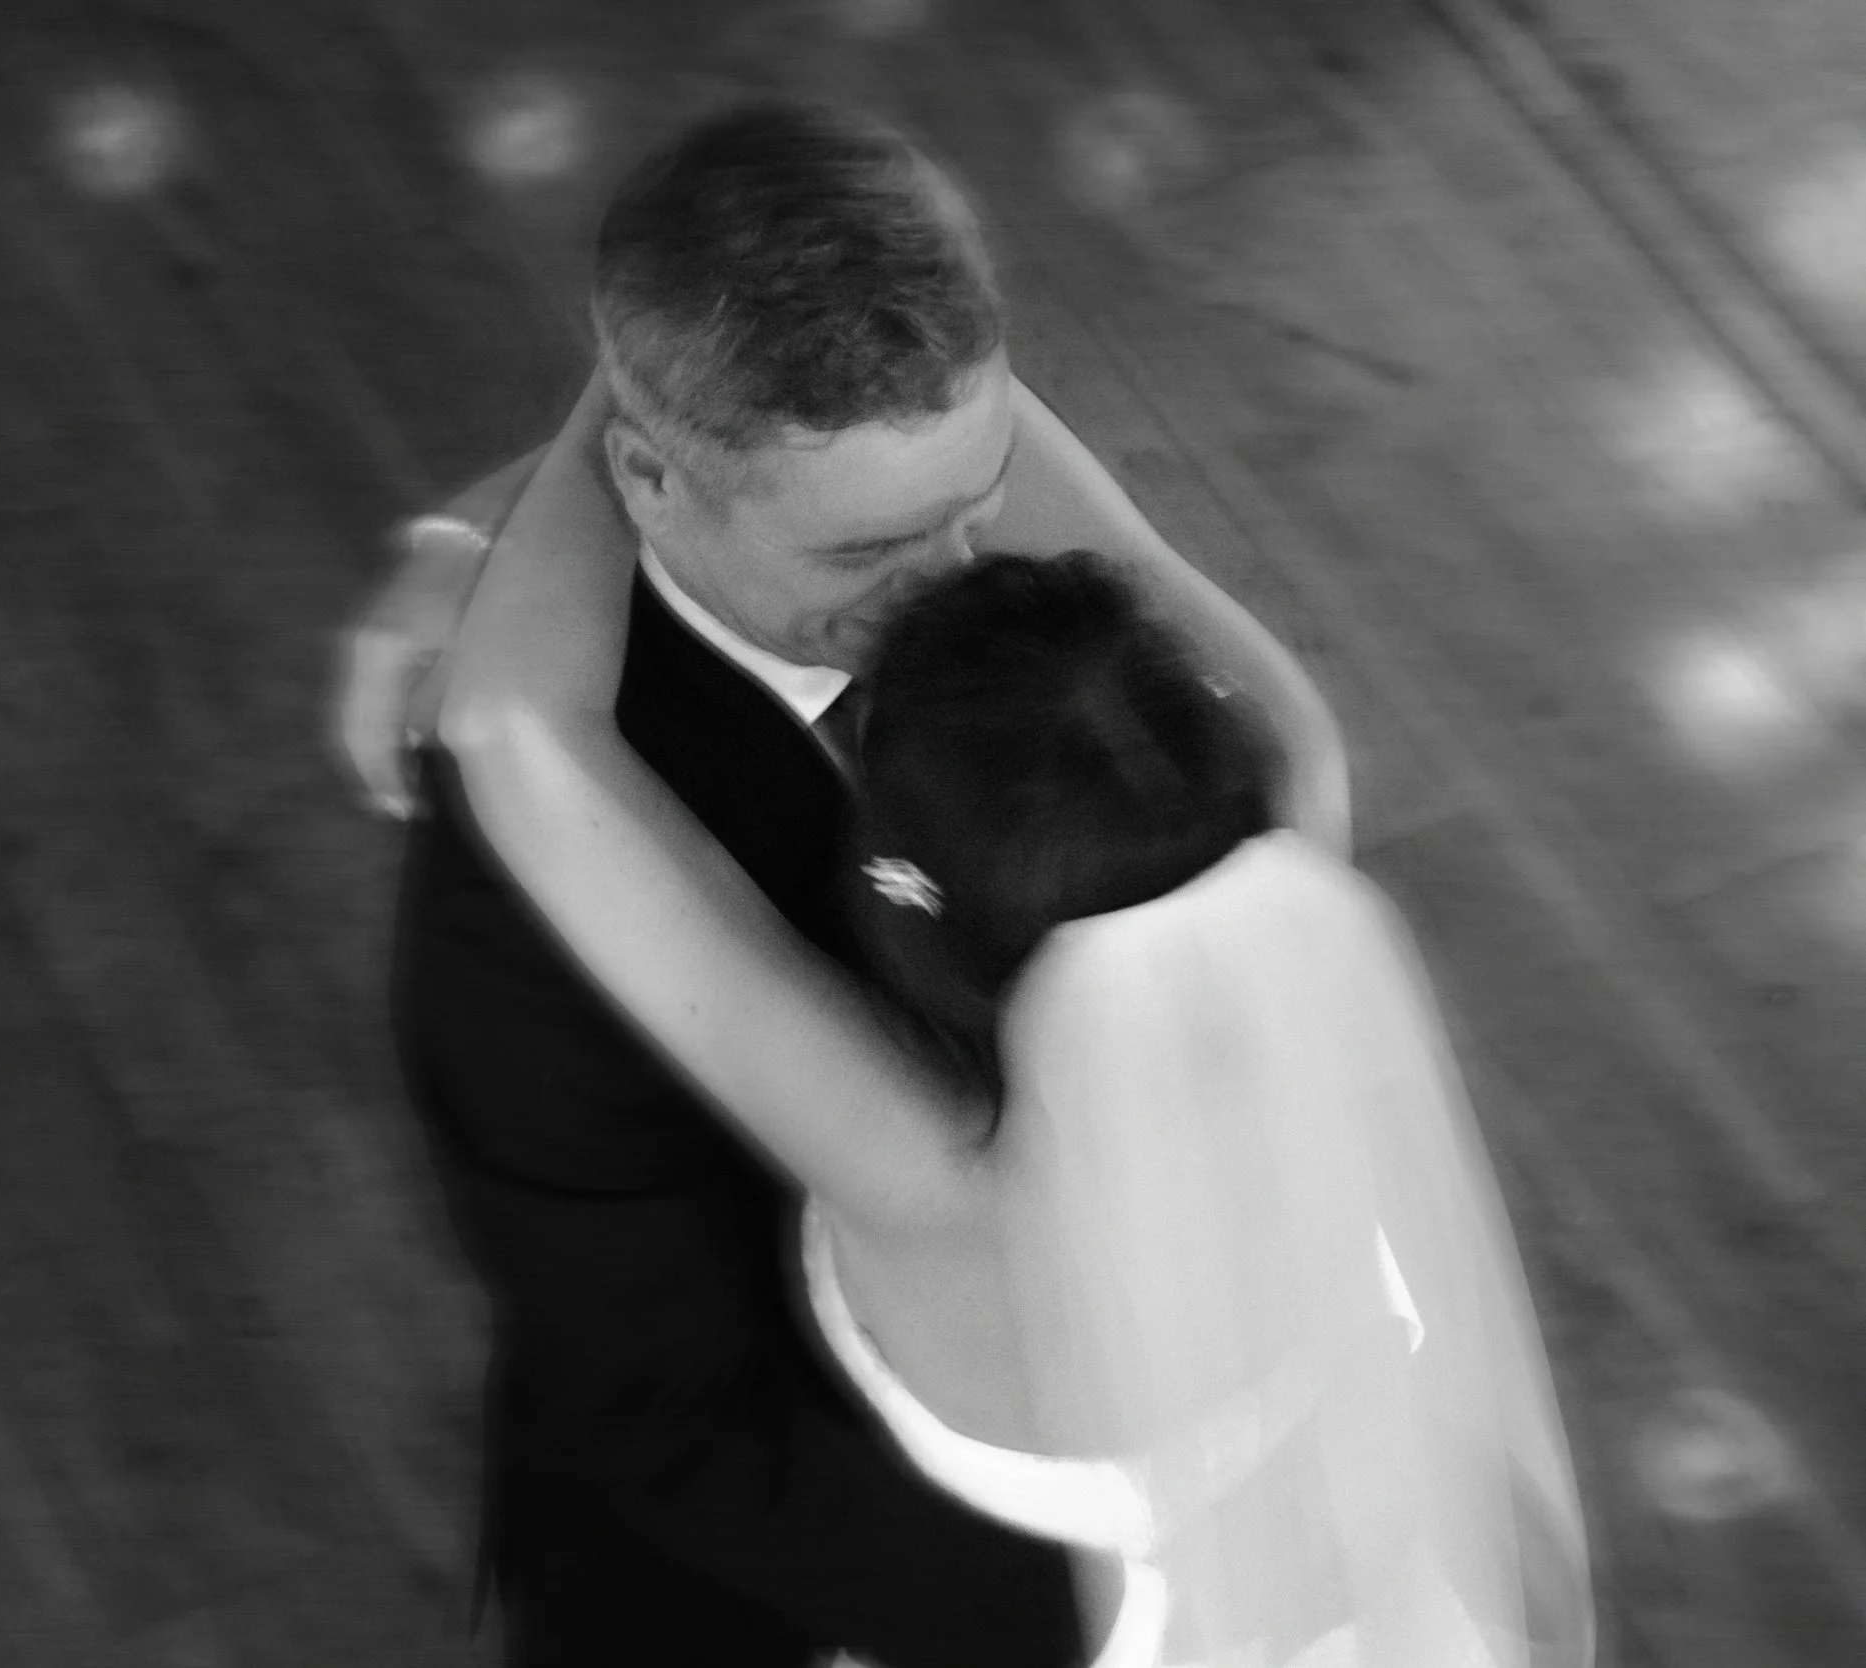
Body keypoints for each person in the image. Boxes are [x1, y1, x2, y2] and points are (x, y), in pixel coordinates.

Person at [379, 99, 1351, 1667]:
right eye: (867, 552)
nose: (959, 585)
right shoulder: (516, 928)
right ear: (651, 474)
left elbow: (514, 717)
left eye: (978, 500)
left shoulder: (1125, 713)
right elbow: (672, 1416)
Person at [439, 499, 1598, 1660]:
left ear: (909, 897)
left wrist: (667, 408)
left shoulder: (935, 1182)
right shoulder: (1301, 836)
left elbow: (510, 726)